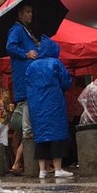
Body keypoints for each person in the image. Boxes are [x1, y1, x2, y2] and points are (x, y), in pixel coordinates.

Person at [25, 42, 73, 179]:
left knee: (40, 136)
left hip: (36, 106)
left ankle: (42, 171)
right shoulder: (55, 63)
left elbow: (27, 84)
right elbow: (66, 82)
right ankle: (57, 169)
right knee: (56, 134)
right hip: (54, 103)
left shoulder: (31, 66)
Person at [7, 3, 41, 174]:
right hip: (25, 83)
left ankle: (20, 163)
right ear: (20, 14)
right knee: (29, 127)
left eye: (31, 12)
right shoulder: (17, 30)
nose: (31, 15)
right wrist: (26, 54)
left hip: (29, 81)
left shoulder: (25, 31)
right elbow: (10, 46)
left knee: (27, 127)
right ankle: (21, 162)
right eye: (28, 12)